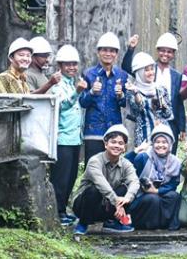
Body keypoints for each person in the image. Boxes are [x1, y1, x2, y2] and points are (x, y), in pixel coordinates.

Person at [123, 33, 186, 153]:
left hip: (169, 122)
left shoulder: (176, 76)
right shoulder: (146, 67)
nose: (165, 54)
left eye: (169, 52)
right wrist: (131, 49)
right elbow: (126, 67)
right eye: (163, 51)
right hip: (146, 122)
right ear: (157, 51)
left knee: (167, 157)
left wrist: (182, 126)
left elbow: (178, 101)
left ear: (173, 54)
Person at [71, 124, 138, 235]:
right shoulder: (95, 161)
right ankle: (82, 224)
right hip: (84, 206)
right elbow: (101, 184)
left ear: (124, 148)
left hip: (106, 206)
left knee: (124, 189)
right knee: (94, 190)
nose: (117, 146)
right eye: (113, 142)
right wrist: (116, 202)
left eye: (120, 143)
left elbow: (135, 181)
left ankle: (111, 222)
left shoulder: (126, 164)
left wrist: (126, 198)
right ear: (106, 144)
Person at [48, 45, 87, 225]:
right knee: (60, 178)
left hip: (75, 138)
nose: (71, 67)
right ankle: (57, 212)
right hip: (62, 138)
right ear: (60, 66)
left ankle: (63, 209)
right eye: (67, 65)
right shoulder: (58, 84)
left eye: (74, 64)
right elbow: (60, 106)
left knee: (71, 176)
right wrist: (77, 92)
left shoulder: (73, 82)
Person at [79, 32, 128, 164]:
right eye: (104, 50)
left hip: (114, 130)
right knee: (93, 168)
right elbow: (82, 102)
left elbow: (125, 103)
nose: (108, 54)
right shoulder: (89, 74)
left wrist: (121, 95)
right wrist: (92, 92)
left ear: (116, 54)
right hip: (94, 129)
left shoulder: (122, 75)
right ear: (98, 52)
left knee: (113, 169)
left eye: (112, 51)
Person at [126, 124, 182, 230]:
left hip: (158, 192)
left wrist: (157, 190)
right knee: (153, 199)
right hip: (140, 196)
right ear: (153, 143)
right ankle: (147, 225)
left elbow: (173, 184)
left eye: (164, 142)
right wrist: (135, 151)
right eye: (157, 142)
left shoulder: (175, 162)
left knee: (174, 196)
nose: (161, 145)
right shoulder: (143, 157)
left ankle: (165, 224)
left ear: (170, 144)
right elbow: (124, 165)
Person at [126, 52, 174, 147]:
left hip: (162, 137)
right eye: (146, 70)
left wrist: (162, 104)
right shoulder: (132, 91)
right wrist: (136, 93)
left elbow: (168, 114)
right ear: (139, 72)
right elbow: (139, 108)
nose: (151, 73)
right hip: (144, 137)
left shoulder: (160, 89)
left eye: (152, 69)